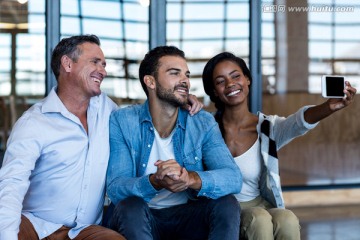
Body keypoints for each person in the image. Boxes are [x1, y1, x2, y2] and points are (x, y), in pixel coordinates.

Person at [201, 52, 357, 240]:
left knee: (287, 219)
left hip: (259, 204)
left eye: (236, 76)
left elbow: (298, 123)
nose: (230, 84)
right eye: (220, 81)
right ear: (213, 90)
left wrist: (328, 107)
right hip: (223, 208)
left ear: (248, 80)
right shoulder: (205, 126)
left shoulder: (268, 128)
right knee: (258, 219)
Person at [105, 46, 242, 240]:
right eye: (174, 73)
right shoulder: (123, 121)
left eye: (186, 74)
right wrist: (155, 182)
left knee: (227, 203)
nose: (185, 80)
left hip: (188, 215)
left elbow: (233, 178)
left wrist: (191, 179)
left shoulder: (202, 122)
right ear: (150, 81)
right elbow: (116, 187)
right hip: (143, 217)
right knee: (130, 206)